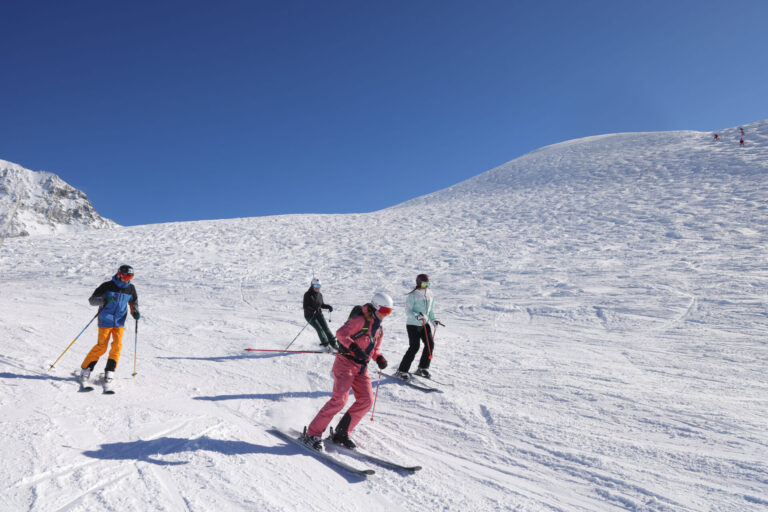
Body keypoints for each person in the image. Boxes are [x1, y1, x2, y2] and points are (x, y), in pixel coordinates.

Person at [302, 291, 393, 451]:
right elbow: (340, 333)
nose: (386, 315)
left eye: (389, 312)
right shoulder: (360, 320)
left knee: (366, 400)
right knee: (339, 400)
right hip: (345, 364)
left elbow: (375, 349)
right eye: (384, 311)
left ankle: (341, 433)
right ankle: (312, 433)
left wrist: (379, 358)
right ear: (376, 307)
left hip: (361, 368)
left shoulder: (379, 330)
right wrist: (354, 347)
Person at [79, 265, 140, 387]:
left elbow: (133, 302)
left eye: (130, 277)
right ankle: (86, 368)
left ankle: (110, 371)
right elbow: (92, 300)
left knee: (117, 346)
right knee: (101, 347)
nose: (127, 279)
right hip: (105, 320)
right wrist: (105, 300)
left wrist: (135, 312)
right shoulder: (107, 286)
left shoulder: (131, 288)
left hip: (119, 321)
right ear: (119, 274)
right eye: (126, 276)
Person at [395, 274, 439, 381]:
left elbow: (430, 311)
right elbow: (408, 311)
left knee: (430, 344)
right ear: (418, 283)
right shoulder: (413, 295)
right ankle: (402, 370)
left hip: (424, 324)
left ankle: (422, 368)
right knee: (414, 346)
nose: (426, 286)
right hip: (412, 324)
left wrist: (433, 320)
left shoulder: (430, 294)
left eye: (428, 283)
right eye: (424, 283)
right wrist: (417, 316)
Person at [302, 277, 337, 349]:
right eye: (315, 286)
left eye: (319, 286)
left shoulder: (319, 295)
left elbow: (321, 305)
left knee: (326, 328)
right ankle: (326, 345)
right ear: (312, 285)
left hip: (318, 314)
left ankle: (333, 343)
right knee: (319, 329)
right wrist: (312, 310)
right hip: (309, 316)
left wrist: (328, 307)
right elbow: (305, 306)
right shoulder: (307, 294)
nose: (317, 288)